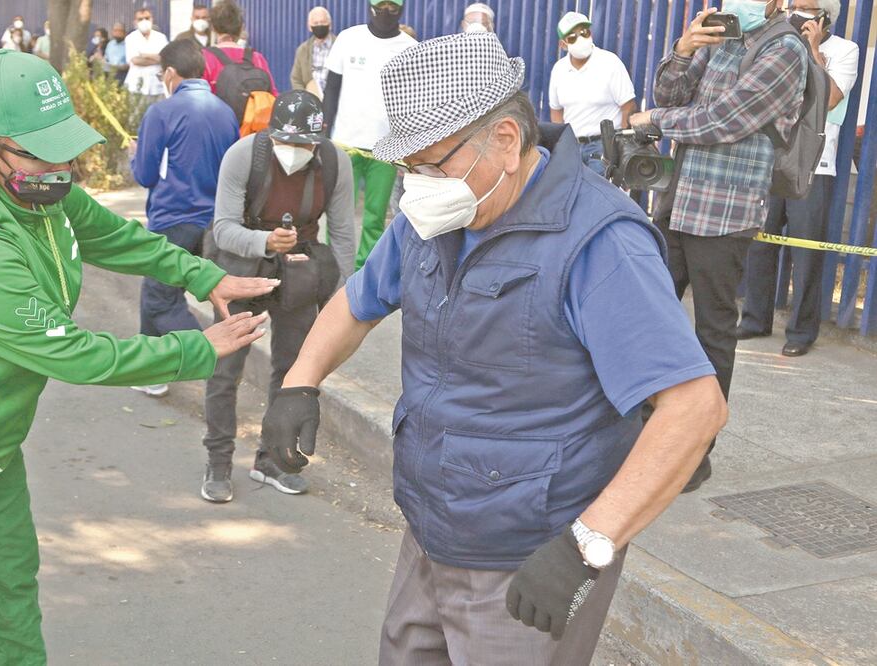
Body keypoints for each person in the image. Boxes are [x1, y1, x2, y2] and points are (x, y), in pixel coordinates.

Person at [260, 33, 726, 664]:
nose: (415, 186)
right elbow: (358, 300)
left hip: (526, 560)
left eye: (431, 165)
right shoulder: (434, 217)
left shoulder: (599, 242)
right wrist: (299, 381)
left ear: (506, 141)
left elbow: (693, 408)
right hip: (431, 531)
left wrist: (588, 543)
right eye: (408, 168)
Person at [0, 48, 275, 664]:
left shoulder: (39, 192)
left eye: (65, 145)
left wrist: (203, 276)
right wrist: (192, 349)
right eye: (44, 150)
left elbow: (112, 234)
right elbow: (74, 355)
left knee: (12, 595)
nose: (64, 165)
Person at [629, 2, 807, 491]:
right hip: (676, 203)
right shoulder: (724, 39)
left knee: (712, 333)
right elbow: (671, 94)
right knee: (647, 321)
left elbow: (725, 121)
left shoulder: (784, 49)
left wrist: (656, 120)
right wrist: (683, 51)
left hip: (724, 212)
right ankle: (641, 432)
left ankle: (693, 452)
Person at [202, 90, 356, 502]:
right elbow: (223, 229)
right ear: (271, 135)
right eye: (285, 143)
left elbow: (342, 236)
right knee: (224, 368)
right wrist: (266, 240)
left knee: (290, 370)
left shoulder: (335, 163)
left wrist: (344, 298)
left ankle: (271, 460)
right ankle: (218, 460)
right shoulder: (242, 156)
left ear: (317, 141)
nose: (293, 152)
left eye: (303, 145)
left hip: (300, 269)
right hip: (242, 266)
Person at [738, 0, 859, 357]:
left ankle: (802, 331)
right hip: (771, 158)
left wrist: (813, 48)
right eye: (794, 5)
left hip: (813, 165)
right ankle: (755, 319)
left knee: (806, 251)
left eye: (806, 6)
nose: (797, 11)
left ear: (824, 16)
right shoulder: (778, 42)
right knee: (760, 243)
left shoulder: (845, 50)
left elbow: (831, 98)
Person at [130, 40, 241, 399]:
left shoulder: (162, 113)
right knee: (157, 293)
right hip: (213, 222)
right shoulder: (224, 111)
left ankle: (212, 357)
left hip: (172, 217)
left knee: (161, 297)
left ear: (170, 73)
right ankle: (151, 373)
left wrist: (135, 155)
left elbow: (146, 175)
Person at [324, 0, 417, 269]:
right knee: (339, 214)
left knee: (376, 217)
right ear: (370, 6)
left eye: (392, 6)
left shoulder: (409, 48)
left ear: (401, 9)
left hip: (385, 149)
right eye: (380, 5)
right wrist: (323, 133)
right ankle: (335, 266)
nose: (386, 11)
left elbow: (411, 102)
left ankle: (366, 272)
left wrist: (408, 146)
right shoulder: (348, 38)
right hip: (344, 144)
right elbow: (331, 88)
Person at [549, 12, 637, 176]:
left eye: (584, 33)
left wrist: (620, 147)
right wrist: (562, 143)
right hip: (572, 146)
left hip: (603, 146)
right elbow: (556, 110)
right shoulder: (559, 70)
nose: (581, 39)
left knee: (596, 196)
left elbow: (628, 106)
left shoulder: (610, 63)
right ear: (563, 45)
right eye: (572, 37)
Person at [202, 0, 278, 96]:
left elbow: (198, 99)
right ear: (241, 27)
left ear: (212, 27)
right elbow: (272, 95)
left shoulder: (204, 58)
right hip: (250, 111)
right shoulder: (257, 58)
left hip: (215, 111)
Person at [125, 8, 169, 101]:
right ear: (135, 22)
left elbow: (165, 58)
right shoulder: (131, 38)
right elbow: (135, 60)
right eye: (140, 19)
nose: (144, 21)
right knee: (136, 115)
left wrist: (144, 55)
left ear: (152, 19)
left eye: (147, 18)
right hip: (136, 87)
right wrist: (156, 58)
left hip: (157, 86)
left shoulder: (161, 38)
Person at [290, 6, 334, 98]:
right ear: (310, 27)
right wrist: (304, 98)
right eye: (316, 23)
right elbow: (296, 79)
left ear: (330, 25)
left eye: (322, 22)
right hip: (312, 103)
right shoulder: (302, 50)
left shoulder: (341, 46)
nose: (319, 25)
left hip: (335, 103)